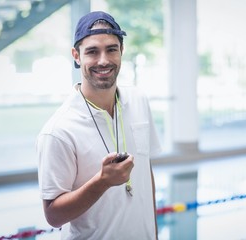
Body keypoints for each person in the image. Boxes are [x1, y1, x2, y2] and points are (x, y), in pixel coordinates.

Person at [36, 11, 162, 239]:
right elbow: (53, 216)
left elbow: (146, 172)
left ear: (121, 51)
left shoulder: (139, 100)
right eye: (92, 51)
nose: (103, 60)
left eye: (111, 49)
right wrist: (102, 182)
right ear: (76, 56)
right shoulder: (58, 131)